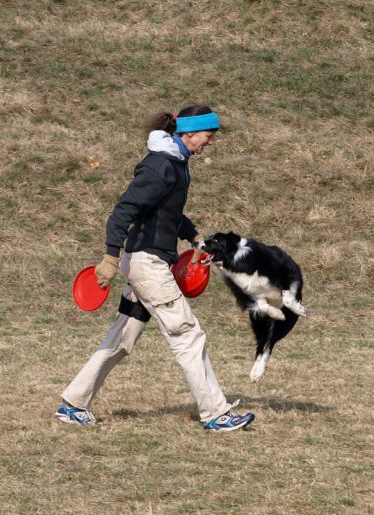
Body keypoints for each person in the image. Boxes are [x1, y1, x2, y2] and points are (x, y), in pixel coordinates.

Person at [55, 105, 255, 432]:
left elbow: (167, 211)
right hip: (147, 265)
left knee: (122, 338)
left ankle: (73, 404)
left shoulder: (176, 163)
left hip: (149, 262)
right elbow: (123, 212)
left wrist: (194, 237)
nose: (211, 142)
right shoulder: (161, 166)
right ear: (189, 133)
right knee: (187, 334)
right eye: (209, 135)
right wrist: (109, 258)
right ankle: (216, 414)